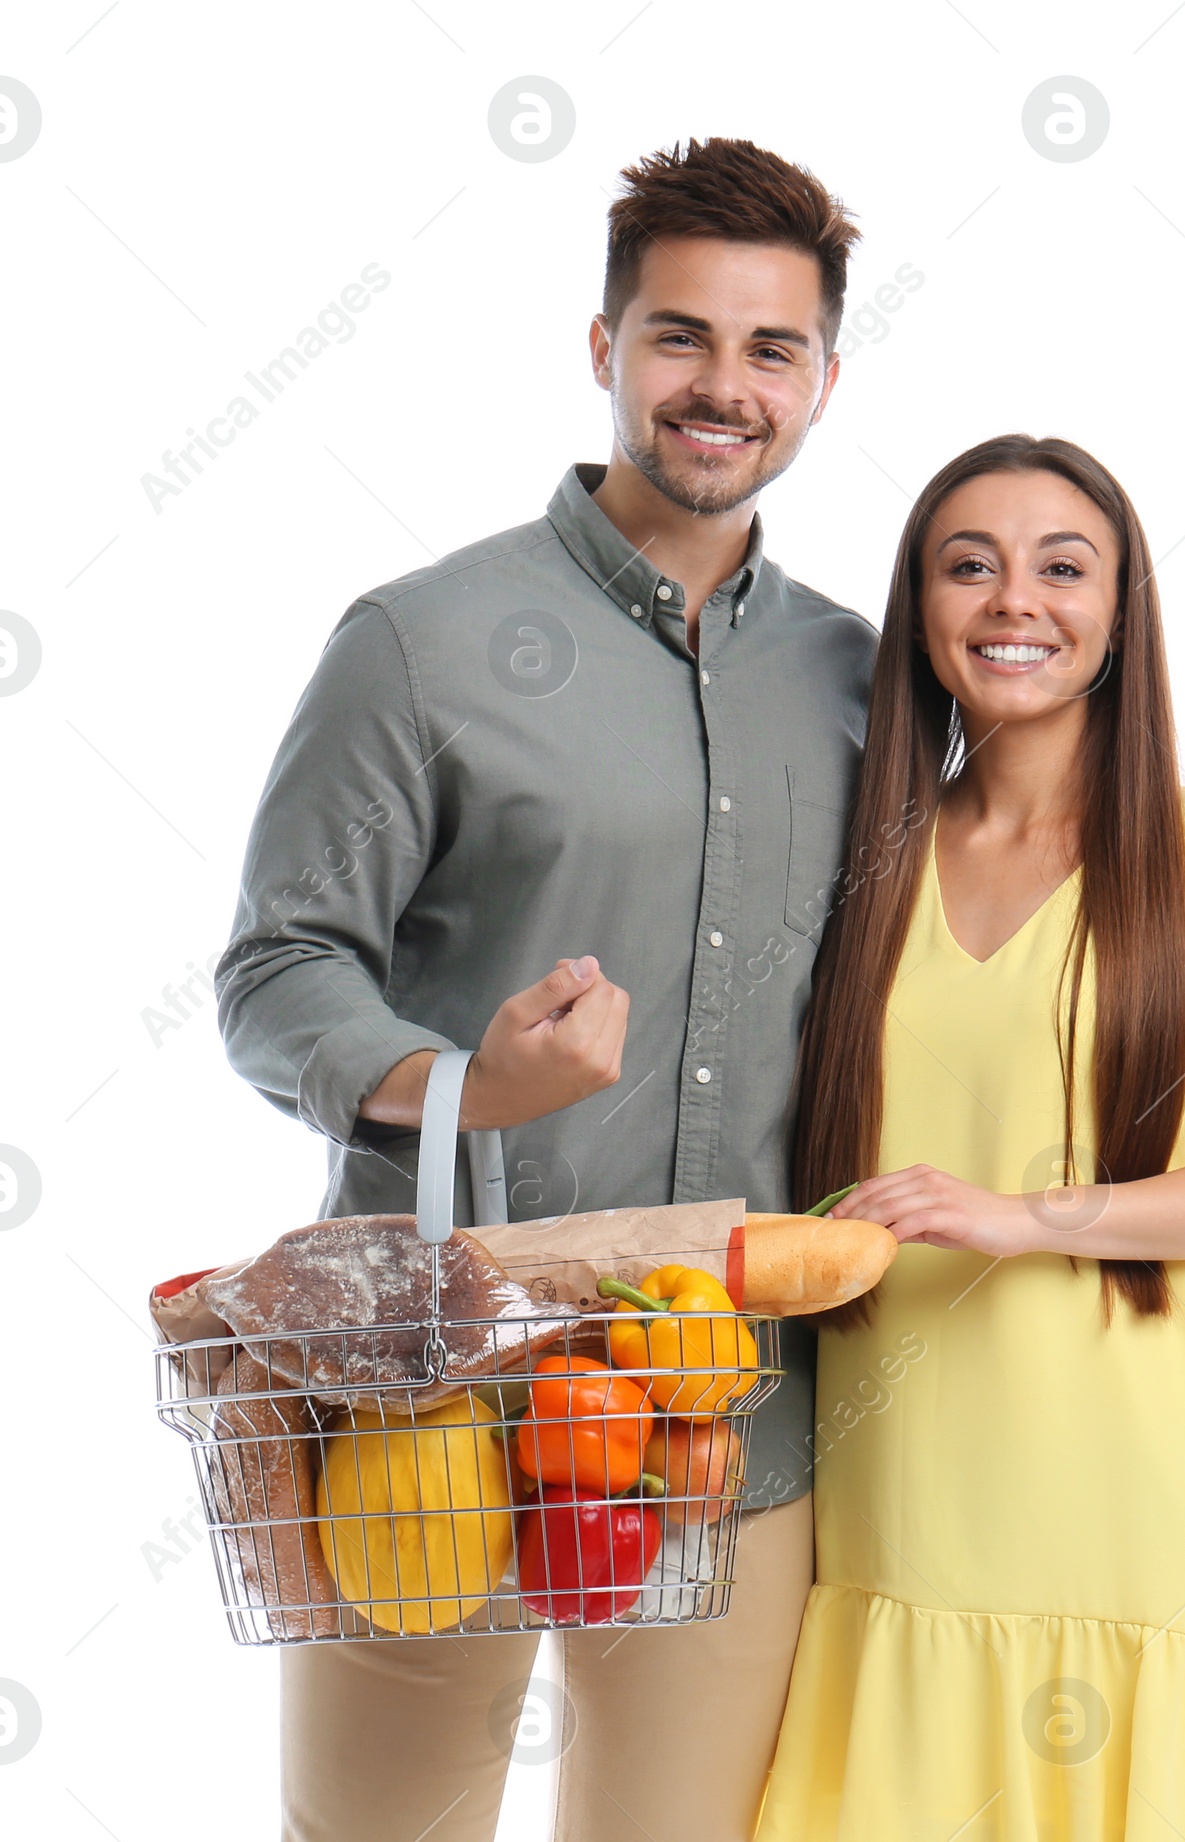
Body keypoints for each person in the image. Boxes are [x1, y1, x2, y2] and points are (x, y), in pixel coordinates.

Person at [214, 138, 876, 1842]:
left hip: (727, 1408)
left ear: (819, 376)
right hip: (436, 1392)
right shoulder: (420, 643)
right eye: (680, 338)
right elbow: (277, 968)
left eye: (771, 349)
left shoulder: (864, 681)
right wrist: (463, 1087)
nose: (722, 388)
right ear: (604, 348)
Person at [756, 435, 1185, 1839]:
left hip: (1138, 1472)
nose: (1012, 600)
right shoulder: (865, 861)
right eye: (968, 565)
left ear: (1121, 608)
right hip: (897, 1472)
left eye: (1061, 566)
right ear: (918, 609)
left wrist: (1037, 1215)